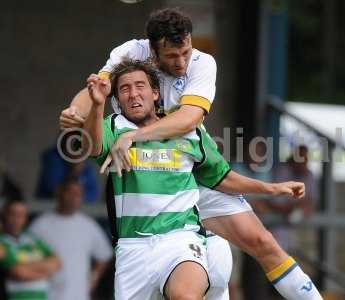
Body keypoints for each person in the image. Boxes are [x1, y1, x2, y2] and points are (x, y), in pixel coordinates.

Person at [61, 8, 323, 299]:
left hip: (188, 171)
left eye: (186, 51)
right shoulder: (129, 54)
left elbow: (188, 118)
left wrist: (133, 137)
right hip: (142, 192)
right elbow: (93, 92)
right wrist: (75, 111)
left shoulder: (202, 63)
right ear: (152, 50)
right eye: (173, 56)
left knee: (262, 242)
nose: (182, 62)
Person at [30, 178, 113, 300]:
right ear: (59, 193)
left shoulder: (88, 224)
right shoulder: (40, 225)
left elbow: (104, 255)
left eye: (78, 194)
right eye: (71, 192)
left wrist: (93, 277)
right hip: (47, 296)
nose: (75, 197)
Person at [0, 199, 61, 300]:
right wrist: (46, 273)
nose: (17, 219)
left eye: (21, 215)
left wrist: (27, 268)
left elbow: (57, 262)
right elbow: (18, 272)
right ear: (3, 215)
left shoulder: (32, 238)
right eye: (13, 214)